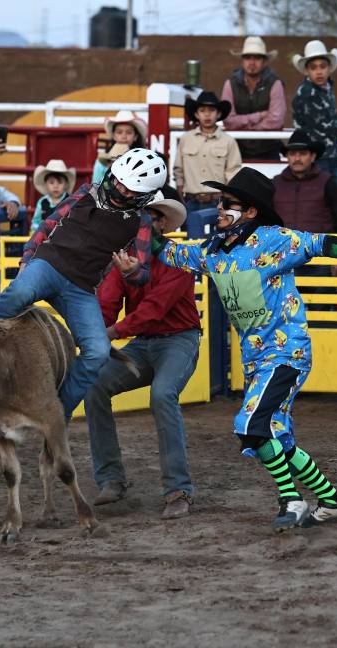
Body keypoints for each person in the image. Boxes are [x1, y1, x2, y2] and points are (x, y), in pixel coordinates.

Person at [114, 168, 337, 531]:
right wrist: (134, 219)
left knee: (250, 425)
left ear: (250, 212)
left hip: (286, 354)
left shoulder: (275, 240)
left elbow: (320, 244)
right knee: (276, 434)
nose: (220, 210)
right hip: (256, 360)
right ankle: (333, 501)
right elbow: (167, 251)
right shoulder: (213, 253)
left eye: (229, 204)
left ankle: (290, 499)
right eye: (221, 203)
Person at [0, 148, 167, 422]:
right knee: (19, 291)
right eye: (119, 183)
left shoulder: (142, 222)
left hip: (81, 288)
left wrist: (132, 271)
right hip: (49, 263)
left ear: (143, 197)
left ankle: (55, 413)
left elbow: (143, 273)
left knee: (98, 351)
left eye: (130, 191)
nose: (121, 191)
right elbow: (50, 222)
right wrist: (27, 259)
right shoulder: (87, 191)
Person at [84, 186, 200, 519]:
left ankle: (178, 489)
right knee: (96, 385)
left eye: (151, 216)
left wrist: (109, 333)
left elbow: (153, 308)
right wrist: (96, 336)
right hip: (149, 341)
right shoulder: (126, 257)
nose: (143, 222)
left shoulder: (177, 258)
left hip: (179, 339)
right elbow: (108, 301)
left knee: (163, 394)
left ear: (162, 224)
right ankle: (111, 479)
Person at [292, 40, 337, 215]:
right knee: (326, 200)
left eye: (322, 66)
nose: (319, 71)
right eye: (314, 67)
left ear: (329, 68)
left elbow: (328, 120)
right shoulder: (307, 92)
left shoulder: (327, 88)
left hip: (331, 153)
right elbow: (320, 123)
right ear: (307, 70)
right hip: (316, 157)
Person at [174, 91, 242, 231]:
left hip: (217, 202)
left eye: (211, 110)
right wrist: (182, 198)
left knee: (217, 244)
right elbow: (178, 171)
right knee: (191, 244)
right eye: (202, 110)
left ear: (218, 114)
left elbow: (233, 174)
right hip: (190, 201)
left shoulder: (228, 141)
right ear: (196, 114)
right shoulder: (186, 139)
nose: (207, 114)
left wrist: (227, 201)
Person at [221, 36, 287, 161]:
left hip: (269, 149)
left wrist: (245, 128)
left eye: (257, 58)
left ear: (264, 61)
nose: (252, 62)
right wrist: (259, 116)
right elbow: (228, 120)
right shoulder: (230, 84)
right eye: (247, 57)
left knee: (269, 180)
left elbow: (276, 120)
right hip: (237, 150)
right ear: (242, 61)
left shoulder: (275, 83)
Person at [272, 129, 337, 237]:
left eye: (302, 154)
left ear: (313, 156)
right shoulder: (275, 183)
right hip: (281, 250)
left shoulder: (327, 181)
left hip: (319, 251)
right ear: (287, 157)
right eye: (292, 154)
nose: (297, 158)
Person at [93, 111, 146, 185]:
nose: (124, 136)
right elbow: (96, 186)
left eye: (129, 132)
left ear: (135, 137)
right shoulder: (101, 162)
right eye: (119, 132)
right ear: (114, 136)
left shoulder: (143, 159)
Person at [30, 159, 75, 232]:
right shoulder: (42, 202)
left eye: (60, 182)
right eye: (51, 182)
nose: (55, 186)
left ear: (66, 184)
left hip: (64, 236)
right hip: (45, 237)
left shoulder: (70, 201)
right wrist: (35, 231)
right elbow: (36, 222)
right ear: (46, 184)